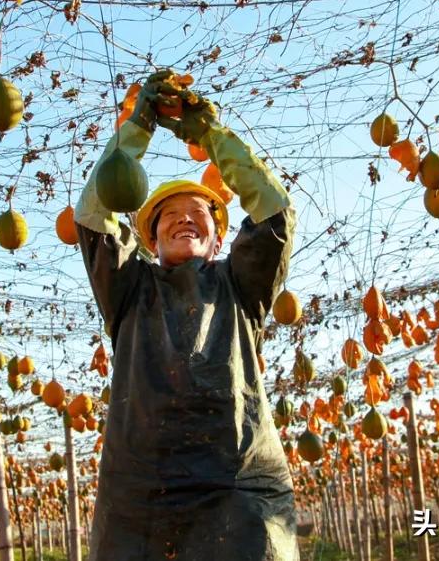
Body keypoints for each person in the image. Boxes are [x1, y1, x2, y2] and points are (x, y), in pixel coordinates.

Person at [74, 70, 298, 561]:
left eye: (198, 211)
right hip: (141, 495)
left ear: (218, 238)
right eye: (168, 214)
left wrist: (209, 135)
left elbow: (274, 213)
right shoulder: (130, 288)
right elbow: (93, 216)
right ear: (150, 240)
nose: (183, 218)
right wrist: (135, 132)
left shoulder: (240, 286)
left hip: (238, 488)